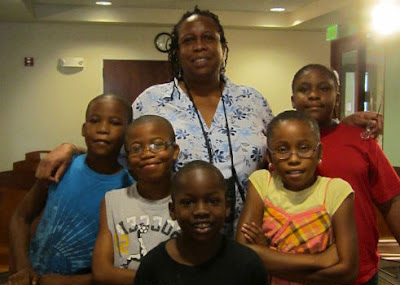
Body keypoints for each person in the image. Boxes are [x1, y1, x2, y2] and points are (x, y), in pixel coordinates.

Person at [34, 7, 382, 229]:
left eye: (208, 38)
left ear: (222, 47)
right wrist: (72, 149)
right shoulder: (151, 102)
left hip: (250, 235)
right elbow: (118, 155)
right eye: (188, 40)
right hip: (171, 233)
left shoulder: (253, 100)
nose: (199, 45)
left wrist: (340, 123)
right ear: (177, 50)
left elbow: (288, 142)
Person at [290, 63, 400, 285]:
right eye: (304, 89)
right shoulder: (280, 144)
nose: (314, 96)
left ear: (337, 96)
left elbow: (390, 200)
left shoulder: (362, 142)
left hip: (356, 272)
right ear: (292, 100)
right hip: (297, 272)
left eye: (324, 88)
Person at [7, 93, 133, 285]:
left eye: (115, 122)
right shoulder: (60, 168)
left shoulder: (129, 186)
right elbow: (21, 217)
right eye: (95, 120)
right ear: (83, 128)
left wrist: (68, 284)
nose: (103, 129)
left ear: (128, 131)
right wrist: (22, 268)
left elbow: (124, 264)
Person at [125, 160, 282, 285]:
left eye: (213, 201)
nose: (201, 211)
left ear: (227, 207)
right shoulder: (153, 266)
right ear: (172, 210)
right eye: (188, 202)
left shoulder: (247, 265)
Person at [237, 110, 361, 285]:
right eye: (282, 150)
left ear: (319, 152)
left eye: (304, 148)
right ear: (270, 156)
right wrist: (319, 260)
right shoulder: (262, 183)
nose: (294, 158)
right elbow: (244, 256)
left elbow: (348, 269)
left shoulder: (336, 190)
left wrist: (268, 256)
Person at [92, 115, 180, 285]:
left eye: (157, 144)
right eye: (136, 148)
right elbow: (102, 272)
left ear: (174, 151)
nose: (147, 153)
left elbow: (200, 278)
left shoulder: (189, 202)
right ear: (128, 160)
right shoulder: (113, 201)